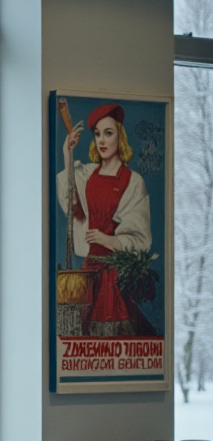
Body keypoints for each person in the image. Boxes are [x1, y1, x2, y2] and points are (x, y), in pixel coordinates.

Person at [58, 103, 152, 337]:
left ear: (120, 136)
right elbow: (73, 211)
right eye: (97, 134)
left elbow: (140, 237)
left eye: (108, 133)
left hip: (114, 274)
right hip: (89, 270)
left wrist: (108, 239)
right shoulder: (87, 174)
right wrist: (67, 156)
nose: (101, 140)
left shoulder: (133, 181)